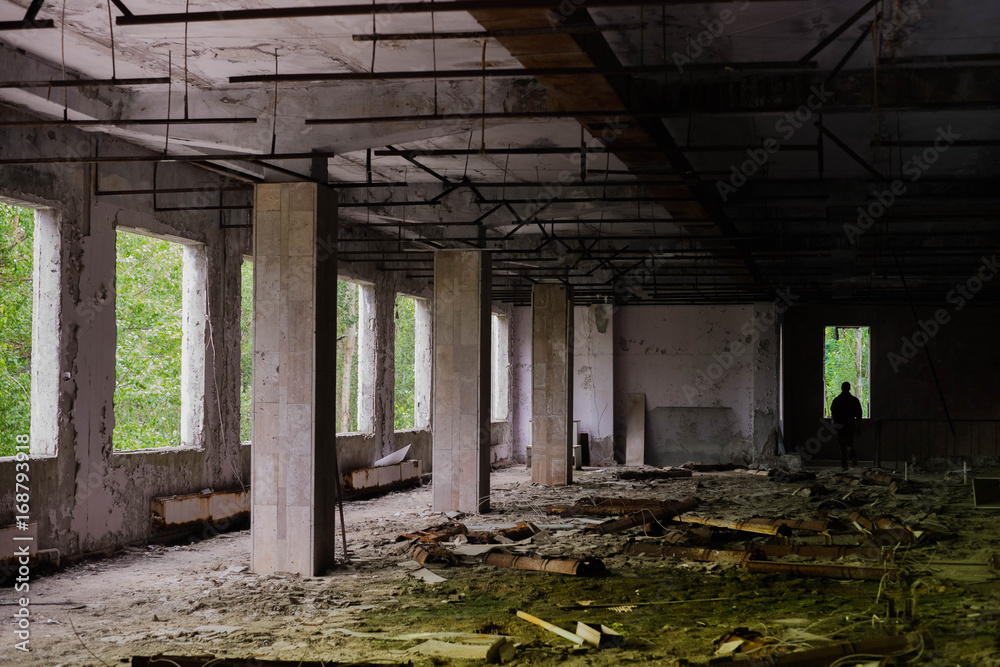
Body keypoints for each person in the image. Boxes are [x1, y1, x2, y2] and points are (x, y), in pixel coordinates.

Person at [830, 382, 863, 470]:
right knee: (849, 443)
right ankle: (853, 458)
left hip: (840, 425)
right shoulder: (854, 400)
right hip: (850, 424)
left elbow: (833, 414)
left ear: (841, 388)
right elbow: (859, 413)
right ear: (849, 388)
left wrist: (834, 424)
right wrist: (858, 425)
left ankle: (844, 464)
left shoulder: (837, 400)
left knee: (842, 445)